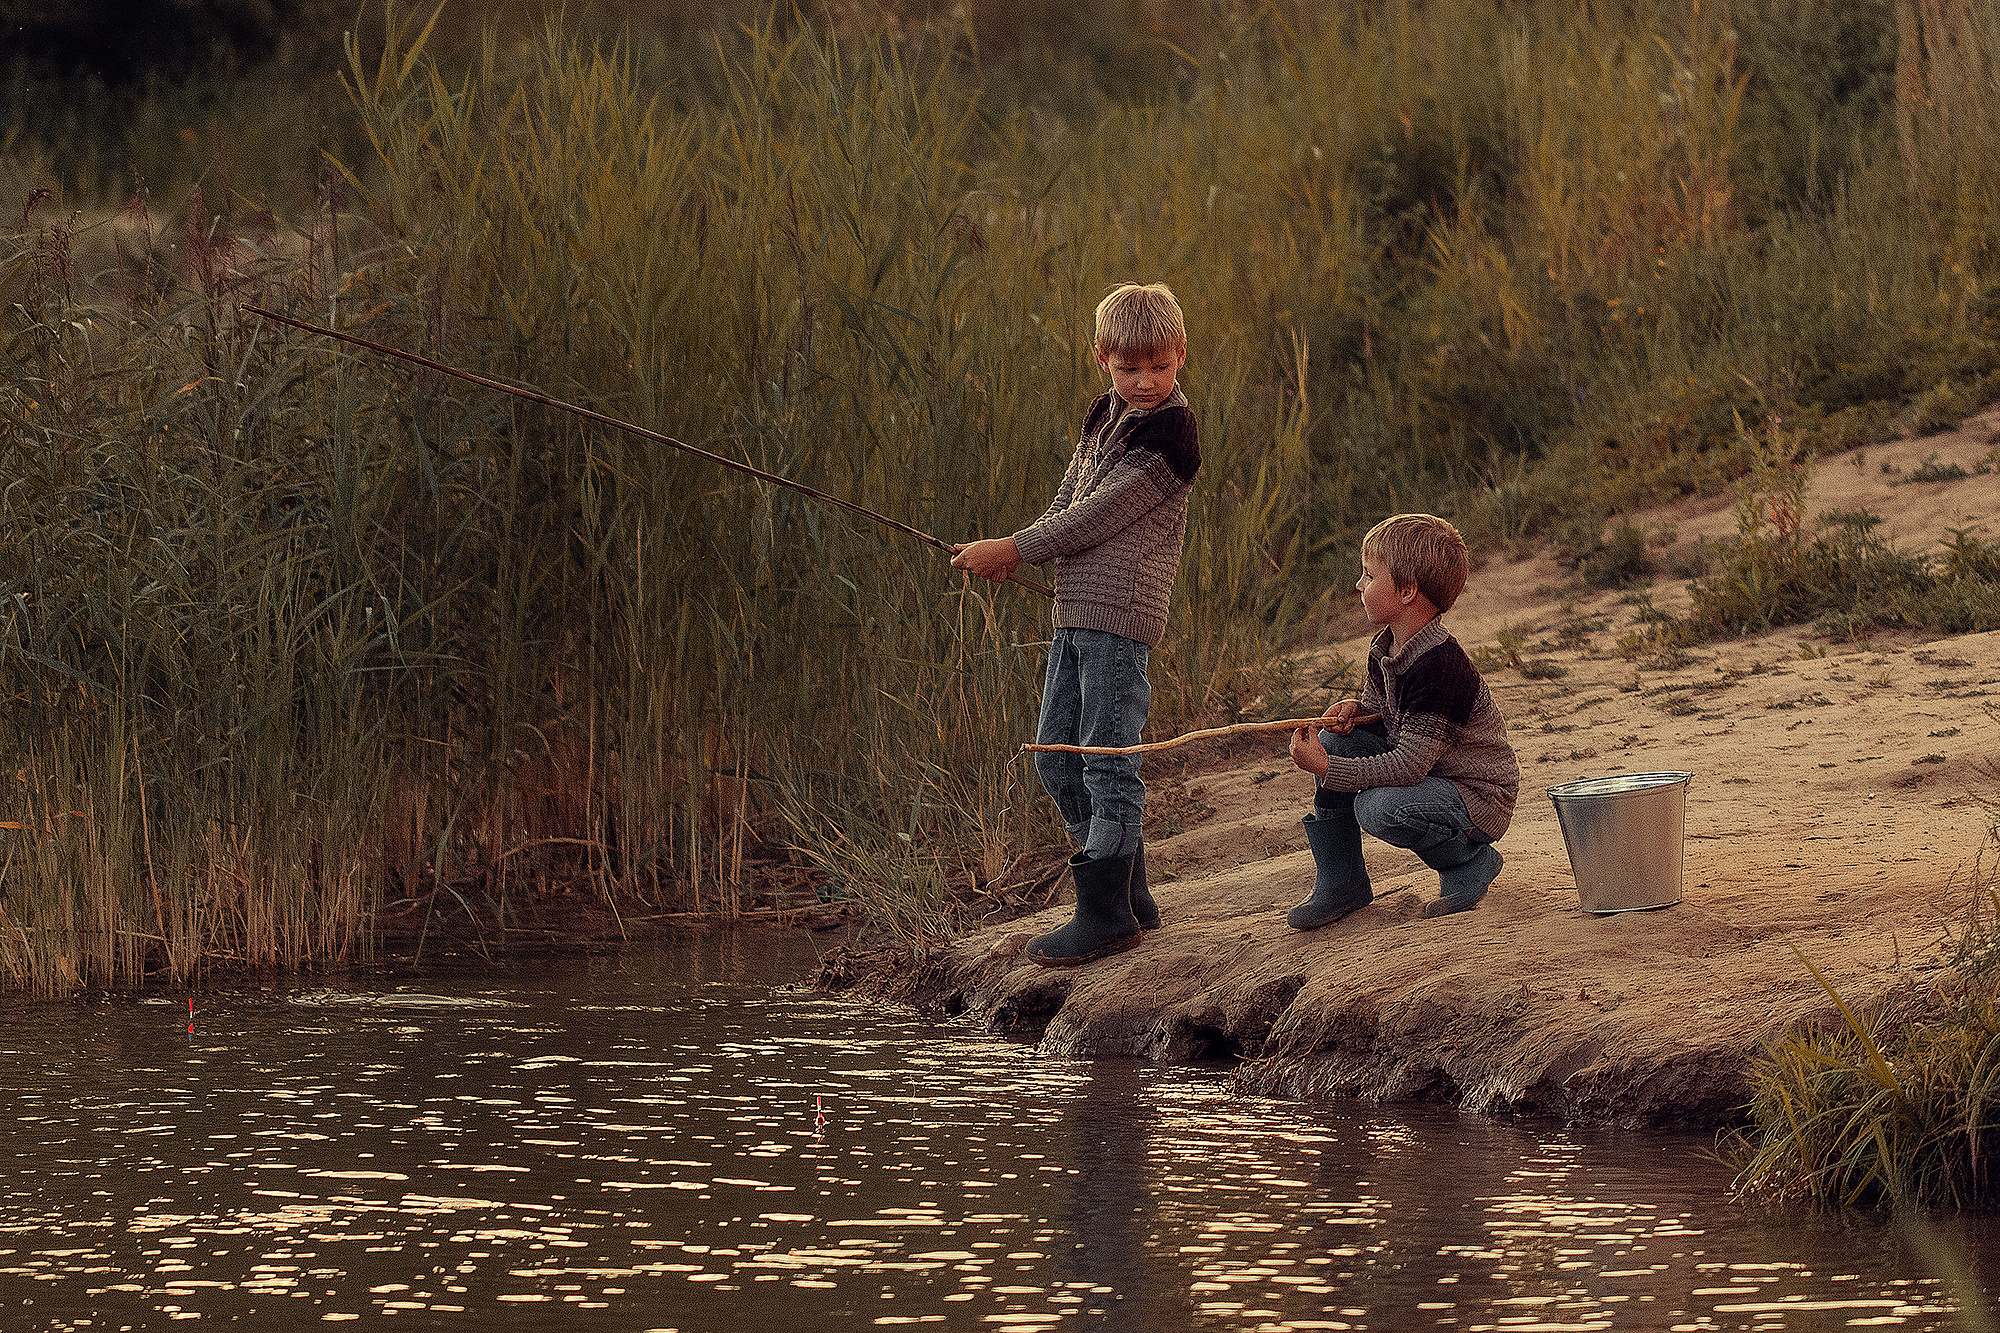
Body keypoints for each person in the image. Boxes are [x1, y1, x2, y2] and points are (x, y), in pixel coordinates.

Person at [952, 282, 1201, 967]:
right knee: (1055, 755)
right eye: (1129, 368)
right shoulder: (1106, 414)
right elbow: (1072, 493)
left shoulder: (1172, 433)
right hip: (1075, 608)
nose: (1145, 381)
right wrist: (1020, 543)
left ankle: (1106, 917)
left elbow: (1101, 514)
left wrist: (1015, 547)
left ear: (1181, 354)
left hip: (1119, 615)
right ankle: (1128, 895)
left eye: (1158, 366)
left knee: (1105, 757)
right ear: (1102, 360)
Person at [1286, 513, 1518, 928]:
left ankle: (1468, 861)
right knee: (1336, 741)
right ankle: (1342, 881)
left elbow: (1409, 764)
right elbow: (1385, 718)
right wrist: (1355, 714)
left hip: (1475, 796)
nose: (1359, 585)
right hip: (1434, 775)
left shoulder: (1440, 667)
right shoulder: (1388, 647)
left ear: (1408, 590)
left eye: (1369, 576)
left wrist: (1325, 768)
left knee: (1377, 808)